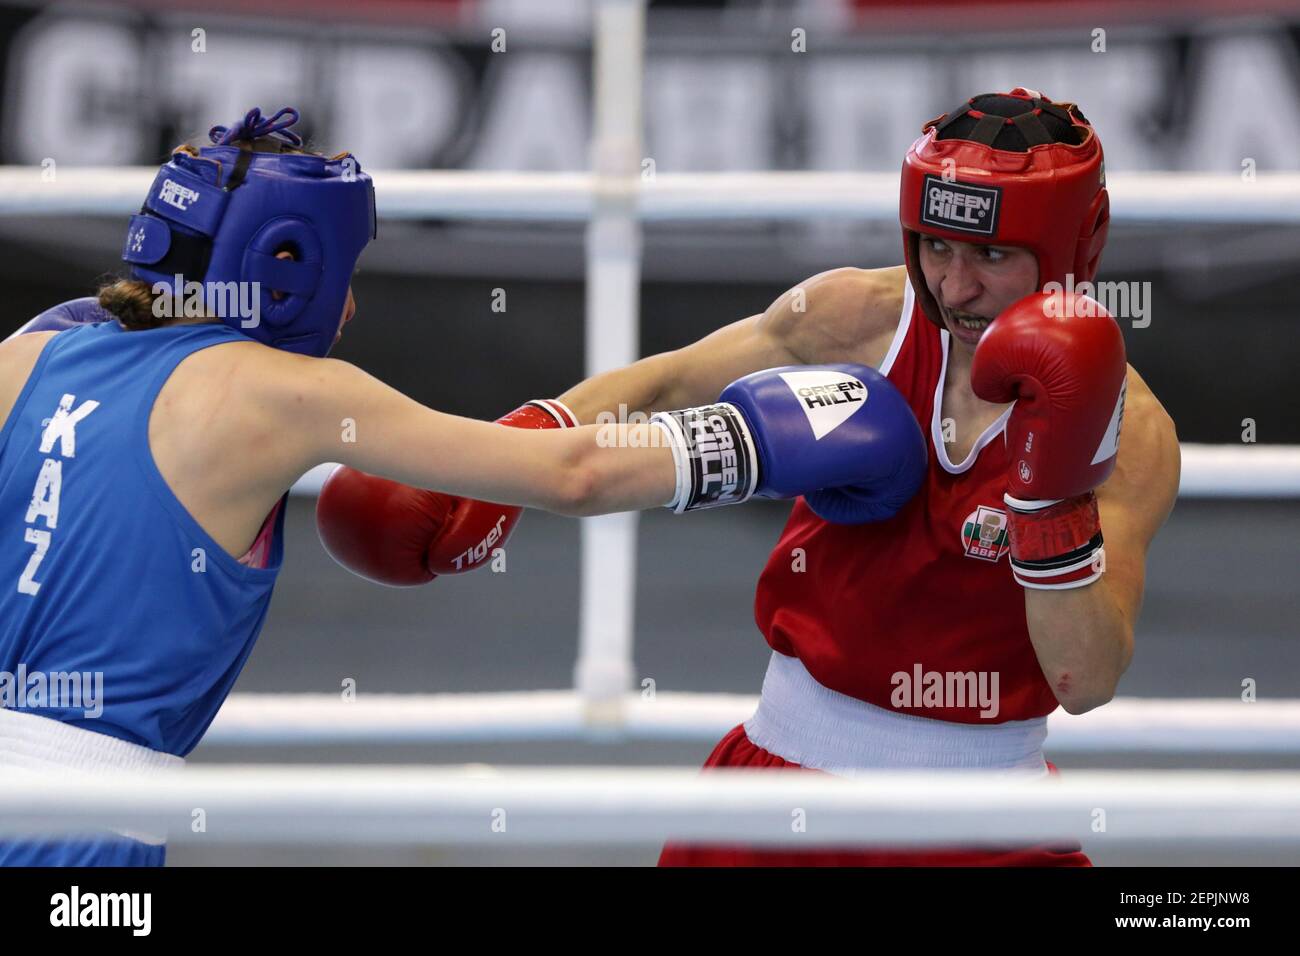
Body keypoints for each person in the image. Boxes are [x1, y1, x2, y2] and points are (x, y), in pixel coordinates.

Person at [0, 106, 927, 866]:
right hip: (82, 824)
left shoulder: (25, 356)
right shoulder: (287, 393)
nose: (351, 306)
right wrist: (755, 442)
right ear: (286, 263)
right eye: (342, 274)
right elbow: (576, 472)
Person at [319, 88, 1181, 866]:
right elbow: (661, 383)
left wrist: (1047, 497)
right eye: (936, 246)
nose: (954, 285)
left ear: (1074, 245)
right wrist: (501, 463)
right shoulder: (863, 316)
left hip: (989, 816)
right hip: (780, 780)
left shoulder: (1130, 433)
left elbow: (1085, 680)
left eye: (990, 256)